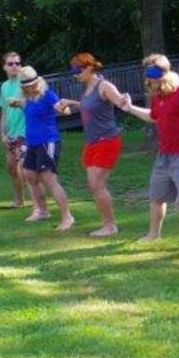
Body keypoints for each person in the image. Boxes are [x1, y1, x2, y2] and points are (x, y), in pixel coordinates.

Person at [117, 55, 179, 249]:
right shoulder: (158, 95)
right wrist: (130, 108)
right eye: (147, 74)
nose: (149, 79)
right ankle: (153, 234)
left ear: (164, 73)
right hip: (164, 154)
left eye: (153, 73)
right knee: (157, 197)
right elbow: (153, 116)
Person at [6, 65, 75, 231]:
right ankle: (42, 211)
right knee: (29, 175)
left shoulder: (47, 95)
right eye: (27, 86)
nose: (30, 87)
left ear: (38, 82)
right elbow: (26, 106)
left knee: (49, 179)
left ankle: (67, 217)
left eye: (33, 84)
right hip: (33, 142)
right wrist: (17, 103)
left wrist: (63, 108)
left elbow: (65, 110)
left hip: (48, 141)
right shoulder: (27, 98)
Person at [67, 52, 125, 237]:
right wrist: (71, 103)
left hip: (106, 141)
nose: (75, 74)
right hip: (92, 142)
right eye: (73, 71)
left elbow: (121, 102)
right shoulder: (87, 88)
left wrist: (124, 100)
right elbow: (89, 106)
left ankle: (110, 226)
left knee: (97, 184)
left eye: (78, 70)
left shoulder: (104, 85)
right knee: (93, 185)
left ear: (90, 67)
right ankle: (107, 224)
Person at [0, 51, 43, 210]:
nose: (15, 66)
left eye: (17, 63)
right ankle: (19, 200)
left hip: (26, 132)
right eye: (10, 64)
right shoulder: (4, 86)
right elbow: (4, 112)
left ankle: (39, 206)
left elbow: (37, 101)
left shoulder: (26, 83)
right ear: (4, 67)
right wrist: (3, 134)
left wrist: (20, 102)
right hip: (11, 134)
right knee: (11, 168)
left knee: (24, 170)